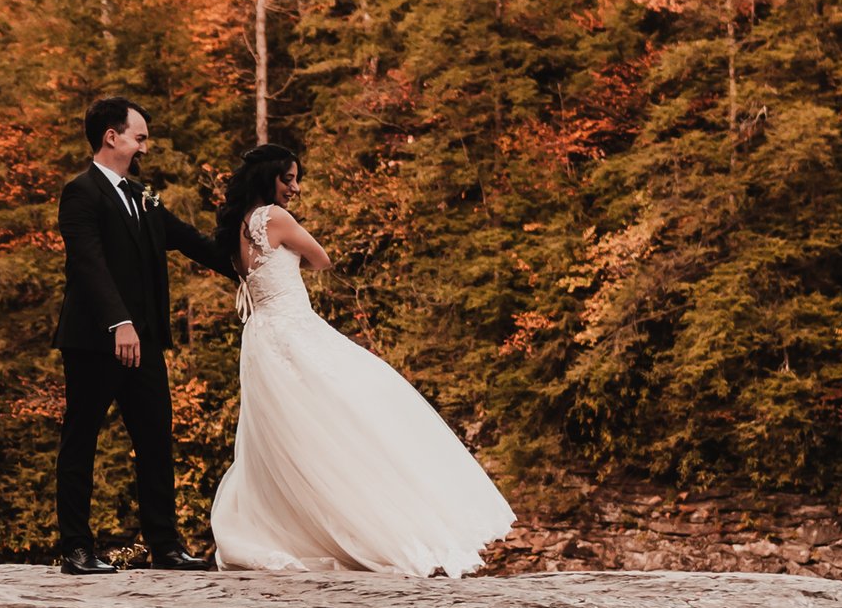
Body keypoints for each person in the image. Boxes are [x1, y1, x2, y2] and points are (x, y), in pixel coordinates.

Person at [208, 139, 513, 575]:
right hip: (294, 328)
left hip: (260, 335)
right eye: (288, 179)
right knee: (350, 412)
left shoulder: (237, 226)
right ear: (268, 179)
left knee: (288, 432)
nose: (294, 188)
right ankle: (371, 522)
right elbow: (322, 259)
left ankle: (294, 525)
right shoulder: (275, 218)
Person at [54, 95, 223, 574]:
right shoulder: (80, 192)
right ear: (113, 137)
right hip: (94, 341)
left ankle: (166, 547)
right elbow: (88, 264)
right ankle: (76, 549)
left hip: (145, 342)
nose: (146, 147)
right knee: (81, 439)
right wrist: (119, 322)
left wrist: (255, 259)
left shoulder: (143, 197)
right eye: (140, 137)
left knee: (154, 440)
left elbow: (195, 243)